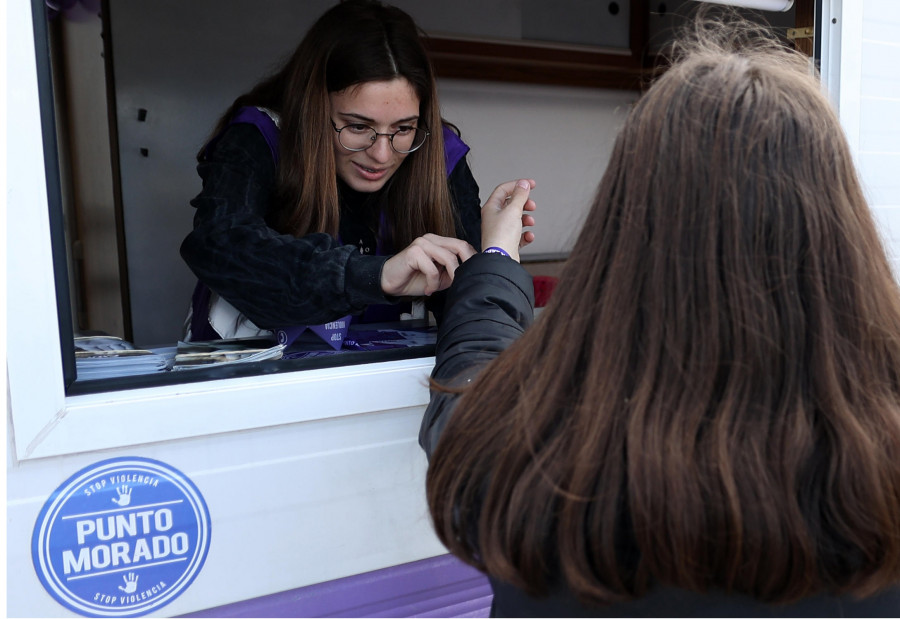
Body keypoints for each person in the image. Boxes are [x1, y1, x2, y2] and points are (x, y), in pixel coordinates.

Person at [419, 15, 900, 618]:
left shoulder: (520, 458)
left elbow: (469, 381)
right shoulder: (878, 477)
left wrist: (495, 258)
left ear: (622, 233)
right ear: (839, 242)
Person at [180, 0, 482, 341]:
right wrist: (374, 275)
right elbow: (221, 246)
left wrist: (495, 252)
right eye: (356, 126)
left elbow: (473, 308)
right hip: (250, 377)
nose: (381, 154)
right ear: (314, 106)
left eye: (402, 129)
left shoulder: (437, 152)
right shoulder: (258, 137)